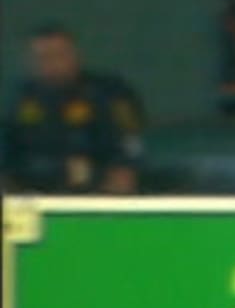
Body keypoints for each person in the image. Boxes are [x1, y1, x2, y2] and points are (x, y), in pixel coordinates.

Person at [6, 24, 145, 194]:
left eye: (59, 55)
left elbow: (128, 142)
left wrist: (125, 169)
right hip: (32, 188)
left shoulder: (106, 93)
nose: (52, 64)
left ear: (74, 56)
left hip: (95, 187)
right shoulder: (17, 99)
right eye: (43, 57)